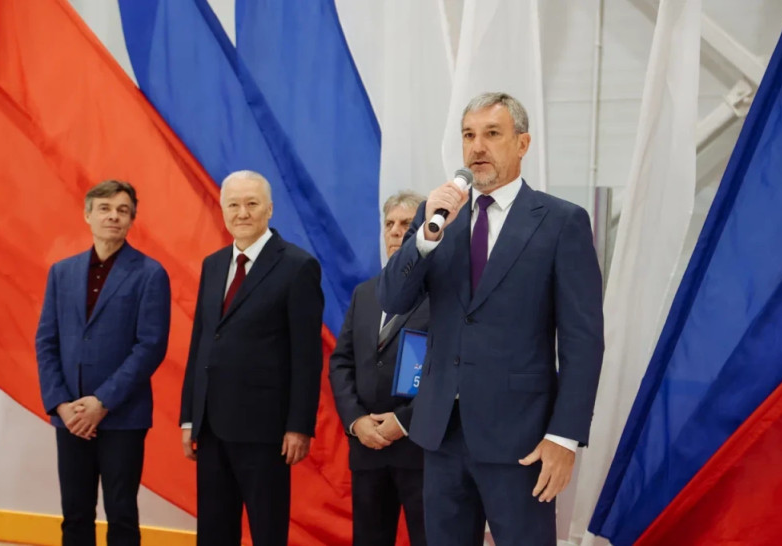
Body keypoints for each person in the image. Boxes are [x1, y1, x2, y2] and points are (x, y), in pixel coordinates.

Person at [378, 92, 605, 546]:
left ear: (522, 143)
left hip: (521, 438)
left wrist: (564, 436)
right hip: (441, 434)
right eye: (468, 135)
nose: (477, 147)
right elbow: (394, 298)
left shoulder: (561, 221)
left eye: (492, 134)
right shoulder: (438, 217)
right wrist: (424, 237)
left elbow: (582, 341)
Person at [179, 170, 324, 546]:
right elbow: (201, 343)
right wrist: (189, 417)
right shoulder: (213, 265)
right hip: (211, 427)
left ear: (269, 209)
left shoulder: (298, 266)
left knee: (267, 532)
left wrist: (299, 426)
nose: (242, 213)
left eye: (252, 203)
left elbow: (307, 357)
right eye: (233, 204)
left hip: (266, 431)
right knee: (213, 533)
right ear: (223, 209)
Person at [36, 180, 171, 546]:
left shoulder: (150, 274)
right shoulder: (62, 272)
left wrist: (102, 402)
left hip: (122, 417)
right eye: (105, 209)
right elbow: (46, 341)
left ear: (131, 220)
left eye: (122, 210)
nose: (113, 216)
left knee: (121, 515)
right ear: (88, 215)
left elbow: (150, 346)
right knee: (75, 514)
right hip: (71, 417)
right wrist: (62, 405)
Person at [329, 191, 429, 546]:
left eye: (406, 224)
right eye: (389, 224)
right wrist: (356, 421)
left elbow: (449, 370)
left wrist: (402, 422)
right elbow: (341, 362)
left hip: (420, 450)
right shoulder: (365, 293)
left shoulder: (443, 294)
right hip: (368, 448)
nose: (395, 231)